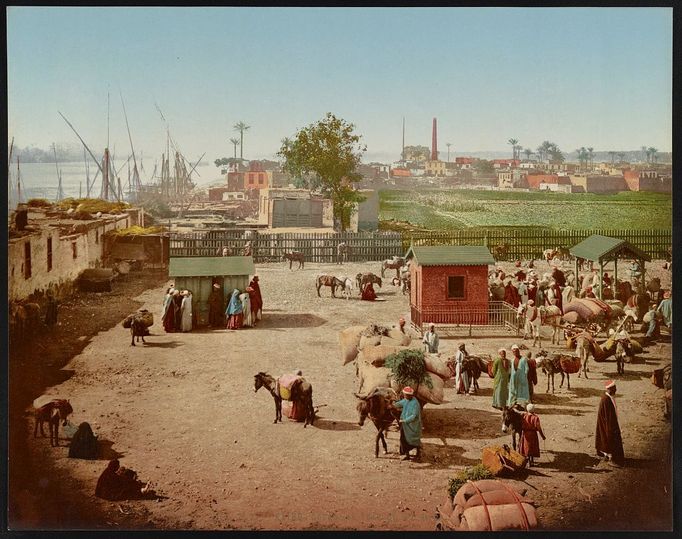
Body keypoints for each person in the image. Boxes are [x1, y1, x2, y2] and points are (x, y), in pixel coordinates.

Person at [595, 380, 624, 467]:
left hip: (609, 423)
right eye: (614, 388)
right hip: (609, 424)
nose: (616, 390)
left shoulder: (608, 398)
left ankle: (607, 455)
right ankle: (612, 458)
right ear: (609, 389)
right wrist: (611, 428)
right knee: (610, 438)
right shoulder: (606, 400)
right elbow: (608, 417)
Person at [394, 386, 422, 461]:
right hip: (405, 425)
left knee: (414, 440)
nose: (404, 396)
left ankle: (418, 454)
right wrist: (392, 405)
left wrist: (404, 420)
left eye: (406, 395)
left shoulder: (415, 403)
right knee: (403, 439)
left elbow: (414, 416)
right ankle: (407, 455)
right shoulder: (406, 400)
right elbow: (399, 403)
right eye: (404, 395)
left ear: (410, 395)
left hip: (413, 425)